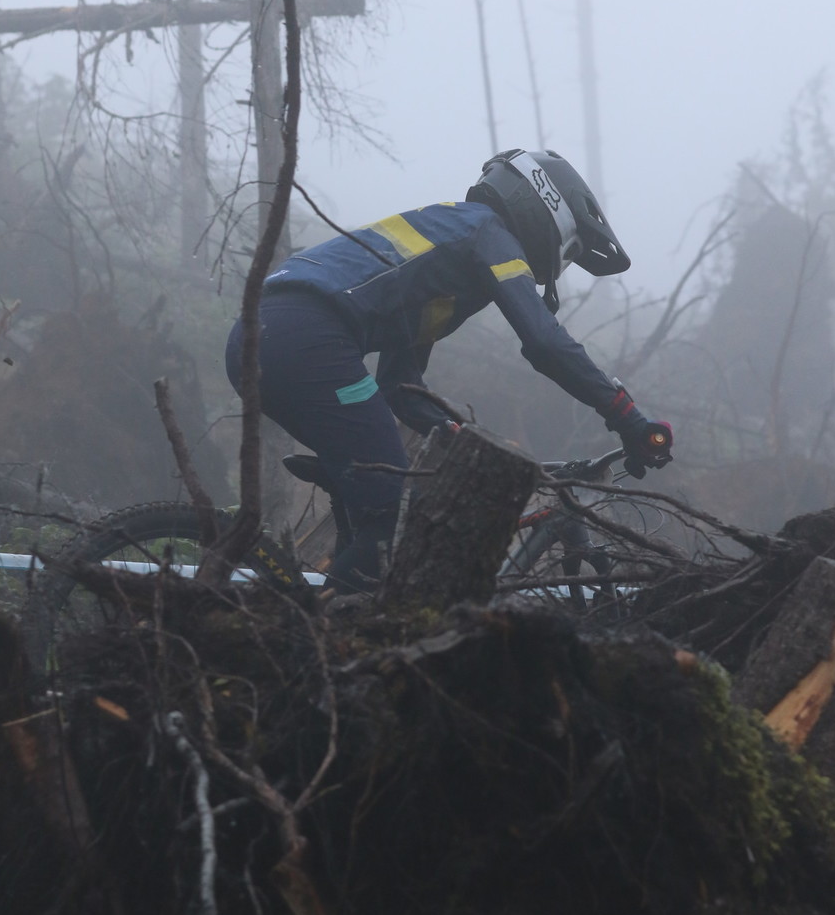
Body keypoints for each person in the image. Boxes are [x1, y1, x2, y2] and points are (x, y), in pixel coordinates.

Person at [225, 148, 673, 592]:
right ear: (547, 208)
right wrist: (625, 414)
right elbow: (544, 341)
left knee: (382, 527)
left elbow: (400, 387)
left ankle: (329, 605)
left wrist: (462, 439)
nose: (561, 263)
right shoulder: (487, 231)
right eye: (570, 250)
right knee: (396, 525)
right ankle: (316, 628)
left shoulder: (447, 246)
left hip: (263, 336)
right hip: (308, 339)